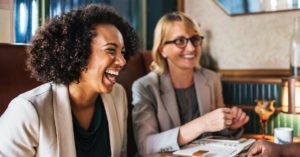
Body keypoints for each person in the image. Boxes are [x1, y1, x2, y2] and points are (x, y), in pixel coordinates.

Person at [0, 4, 138, 157]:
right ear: (78, 52)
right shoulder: (28, 110)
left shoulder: (118, 96)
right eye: (111, 50)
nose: (122, 61)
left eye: (123, 52)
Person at [131, 12, 249, 156]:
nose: (191, 48)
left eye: (195, 39)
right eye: (180, 41)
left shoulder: (211, 79)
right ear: (163, 50)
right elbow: (145, 146)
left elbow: (218, 134)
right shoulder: (144, 87)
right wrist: (202, 124)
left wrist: (231, 126)